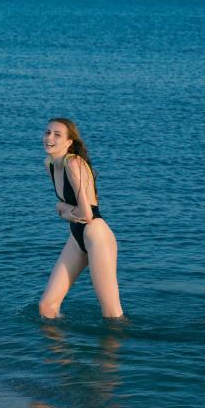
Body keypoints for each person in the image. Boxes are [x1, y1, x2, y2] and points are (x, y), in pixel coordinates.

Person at [39, 118, 124, 319]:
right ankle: (58, 341)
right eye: (48, 132)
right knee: (47, 307)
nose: (49, 138)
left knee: (111, 313)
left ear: (69, 142)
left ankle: (119, 340)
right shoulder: (49, 164)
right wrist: (63, 209)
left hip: (96, 234)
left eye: (57, 134)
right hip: (76, 236)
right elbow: (67, 206)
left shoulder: (73, 163)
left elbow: (86, 214)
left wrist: (61, 209)